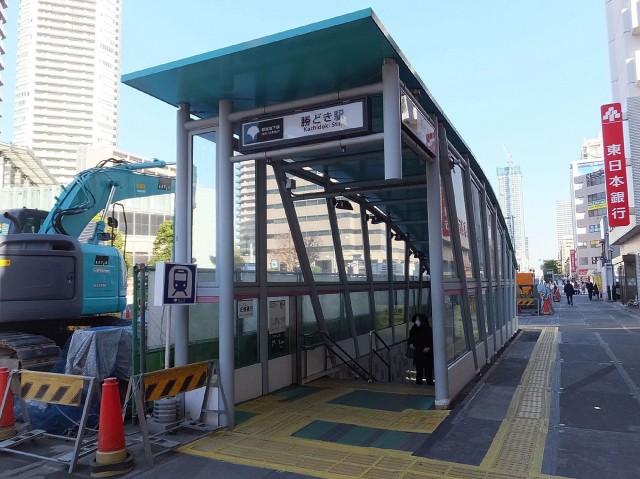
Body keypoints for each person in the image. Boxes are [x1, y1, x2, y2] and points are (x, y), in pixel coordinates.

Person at [408, 313, 434, 385]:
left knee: (428, 374)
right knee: (419, 373)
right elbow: (410, 340)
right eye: (416, 319)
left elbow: (433, 341)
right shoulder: (413, 330)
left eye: (418, 320)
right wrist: (411, 344)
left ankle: (430, 388)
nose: (417, 321)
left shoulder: (429, 330)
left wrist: (429, 347)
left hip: (427, 355)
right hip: (418, 353)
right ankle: (419, 388)